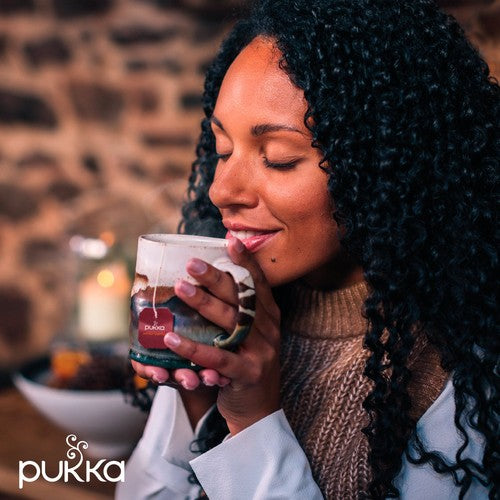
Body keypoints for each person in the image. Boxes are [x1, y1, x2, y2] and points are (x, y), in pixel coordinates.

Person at [116, 0, 498, 498]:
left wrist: (254, 420)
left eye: (278, 158)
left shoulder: (464, 377)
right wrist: (194, 397)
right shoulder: (240, 315)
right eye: (223, 149)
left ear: (385, 164)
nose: (220, 190)